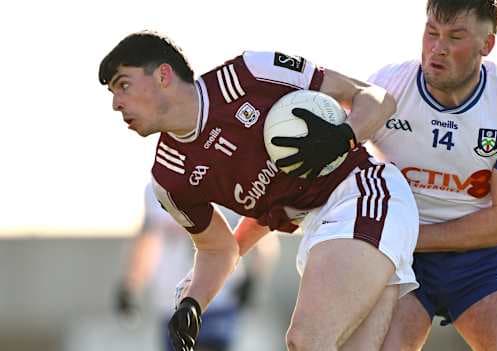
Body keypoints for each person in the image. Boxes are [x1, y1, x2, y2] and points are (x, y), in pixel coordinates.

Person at [99, 31, 420, 351]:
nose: (116, 104)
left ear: (163, 75)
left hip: (364, 192)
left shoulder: (251, 74)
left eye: (123, 85)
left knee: (306, 340)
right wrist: (193, 303)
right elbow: (218, 250)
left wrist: (345, 136)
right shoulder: (169, 178)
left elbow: (377, 98)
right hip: (318, 227)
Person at [365, 1, 497, 350]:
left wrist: (410, 236)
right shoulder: (386, 88)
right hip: (399, 257)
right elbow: (335, 166)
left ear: (487, 44)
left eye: (456, 36)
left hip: (478, 254)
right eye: (431, 32)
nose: (438, 48)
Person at [116, 184, 273, 351]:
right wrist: (131, 285)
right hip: (172, 302)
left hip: (218, 299)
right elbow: (148, 240)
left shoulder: (231, 179)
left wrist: (255, 276)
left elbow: (258, 228)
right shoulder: (159, 185)